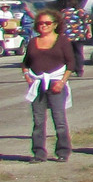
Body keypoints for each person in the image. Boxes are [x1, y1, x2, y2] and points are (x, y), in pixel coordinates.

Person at [20, 9, 82, 161]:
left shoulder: (62, 41)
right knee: (38, 121)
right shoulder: (33, 42)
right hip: (38, 83)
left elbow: (70, 63)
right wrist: (28, 77)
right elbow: (25, 63)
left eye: (47, 23)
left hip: (56, 83)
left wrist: (62, 82)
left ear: (55, 24)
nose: (43, 26)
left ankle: (63, 152)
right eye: (40, 23)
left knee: (59, 120)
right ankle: (39, 153)